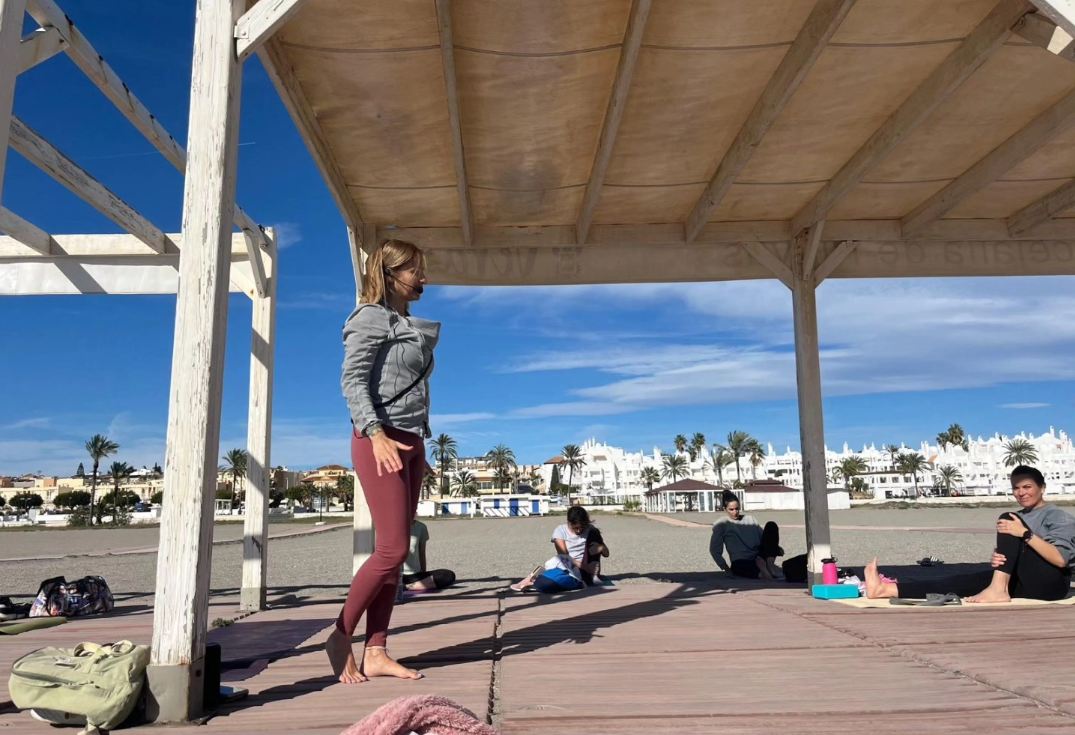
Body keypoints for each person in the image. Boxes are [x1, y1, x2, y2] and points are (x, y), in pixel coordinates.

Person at [326, 239, 439, 685]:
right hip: (380, 439)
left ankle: (376, 651)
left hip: (411, 441)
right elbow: (353, 381)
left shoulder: (405, 323)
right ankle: (339, 635)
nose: (423, 278)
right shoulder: (369, 317)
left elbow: (414, 390)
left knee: (398, 551)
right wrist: (375, 434)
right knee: (391, 548)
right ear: (389, 274)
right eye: (414, 270)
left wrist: (420, 446)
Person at [864, 465, 1075, 603]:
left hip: (1052, 586)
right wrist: (1002, 559)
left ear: (1042, 488)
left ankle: (998, 589)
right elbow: (1018, 551)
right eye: (1016, 488)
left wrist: (1025, 534)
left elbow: (1060, 559)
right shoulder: (1019, 517)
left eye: (1027, 487)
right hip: (1024, 581)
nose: (1021, 493)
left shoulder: (1057, 516)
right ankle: (885, 590)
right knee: (962, 581)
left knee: (1007, 518)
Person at [510, 506, 610, 592]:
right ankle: (534, 581)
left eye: (581, 527)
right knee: (550, 576)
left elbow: (606, 554)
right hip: (568, 565)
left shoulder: (591, 530)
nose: (579, 531)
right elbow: (565, 557)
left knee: (547, 581)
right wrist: (586, 567)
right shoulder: (560, 530)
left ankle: (533, 581)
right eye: (575, 528)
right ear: (569, 522)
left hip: (583, 571)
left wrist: (601, 547)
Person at [710, 492, 783, 580]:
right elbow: (714, 550)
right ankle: (764, 571)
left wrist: (775, 548)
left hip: (758, 557)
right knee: (738, 567)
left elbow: (764, 539)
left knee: (771, 525)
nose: (735, 512)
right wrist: (726, 568)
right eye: (731, 509)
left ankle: (770, 567)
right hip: (741, 561)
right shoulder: (721, 524)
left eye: (737, 508)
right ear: (724, 509)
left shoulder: (750, 519)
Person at [402, 519, 456, 592]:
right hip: (396, 575)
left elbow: (422, 553)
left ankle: (404, 587)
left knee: (448, 575)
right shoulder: (391, 526)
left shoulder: (421, 527)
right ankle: (405, 585)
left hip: (414, 575)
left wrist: (424, 575)